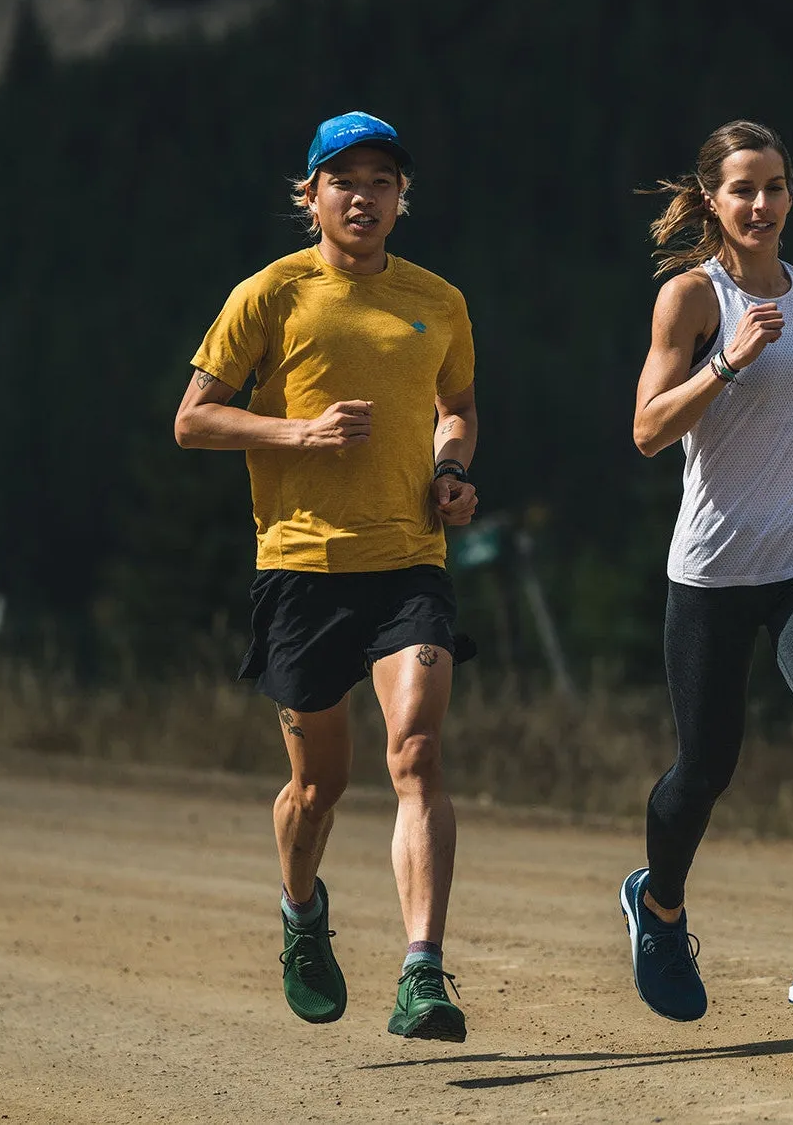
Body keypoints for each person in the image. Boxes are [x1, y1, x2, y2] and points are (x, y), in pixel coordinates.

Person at [174, 111, 478, 1043]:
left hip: (407, 561)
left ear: (401, 199)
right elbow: (193, 421)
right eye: (343, 180)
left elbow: (455, 407)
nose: (363, 195)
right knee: (320, 788)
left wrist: (453, 472)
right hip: (302, 568)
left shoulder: (439, 300)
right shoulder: (270, 295)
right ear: (310, 197)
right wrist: (296, 433)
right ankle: (302, 912)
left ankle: (422, 972)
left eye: (381, 180)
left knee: (417, 753)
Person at [619, 119, 793, 1023]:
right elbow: (649, 429)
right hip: (714, 572)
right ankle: (658, 904)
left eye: (775, 186)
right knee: (706, 767)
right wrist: (726, 364)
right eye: (744, 189)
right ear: (711, 201)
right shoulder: (690, 300)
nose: (762, 204)